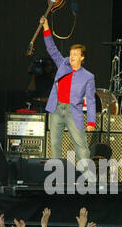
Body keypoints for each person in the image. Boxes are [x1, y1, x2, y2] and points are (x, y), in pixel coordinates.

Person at [40, 15, 96, 170]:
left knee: (81, 145)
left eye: (75, 54)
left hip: (73, 111)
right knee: (55, 144)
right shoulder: (63, 63)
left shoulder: (88, 76)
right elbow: (51, 48)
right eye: (71, 53)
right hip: (57, 108)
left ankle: (87, 177)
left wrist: (91, 121)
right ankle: (56, 176)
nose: (72, 56)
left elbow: (90, 100)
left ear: (82, 58)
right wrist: (45, 27)